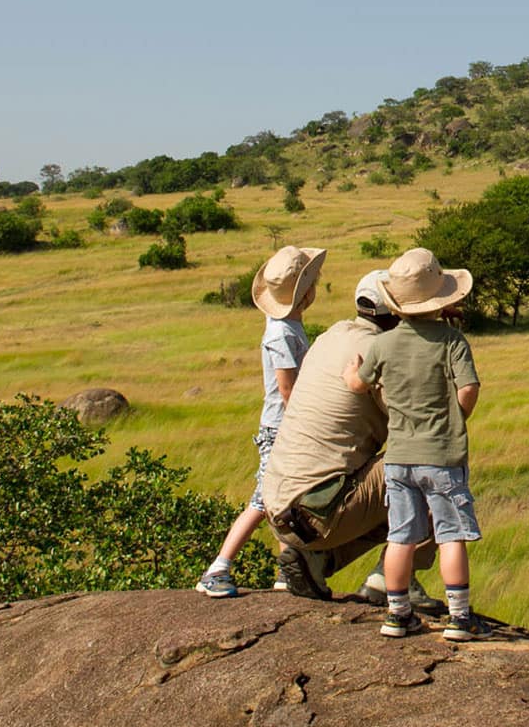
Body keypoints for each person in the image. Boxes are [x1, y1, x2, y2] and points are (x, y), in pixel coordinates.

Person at [259, 270, 438, 604]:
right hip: (318, 512)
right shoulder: (383, 352)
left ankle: (318, 561)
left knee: (378, 488)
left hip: (279, 508)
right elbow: (422, 425)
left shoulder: (332, 334)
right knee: (431, 460)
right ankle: (396, 577)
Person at [345, 248, 486, 641]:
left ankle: (397, 614)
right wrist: (457, 416)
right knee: (449, 534)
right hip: (441, 456)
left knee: (400, 535)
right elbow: (469, 388)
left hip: (399, 459)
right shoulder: (453, 342)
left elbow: (359, 383)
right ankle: (460, 618)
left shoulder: (383, 344)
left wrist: (350, 372)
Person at [196, 244, 326, 598]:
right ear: (305, 292)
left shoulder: (288, 324)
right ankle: (218, 567)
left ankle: (289, 569)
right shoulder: (281, 332)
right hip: (282, 428)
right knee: (264, 501)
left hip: (285, 426)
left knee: (285, 501)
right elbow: (288, 390)